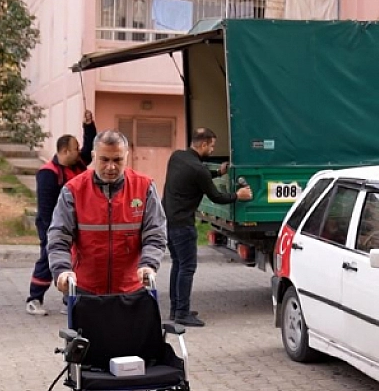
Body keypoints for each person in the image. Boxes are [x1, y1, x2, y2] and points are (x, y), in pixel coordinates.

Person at [48, 129, 167, 296]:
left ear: (126, 157)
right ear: (94, 156)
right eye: (104, 159)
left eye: (117, 160)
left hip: (131, 289)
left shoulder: (144, 187)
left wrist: (149, 264)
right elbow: (59, 236)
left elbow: (155, 233)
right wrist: (62, 269)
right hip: (85, 289)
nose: (111, 167)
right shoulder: (73, 190)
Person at [162, 128, 253, 327]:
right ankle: (182, 314)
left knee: (178, 265)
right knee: (187, 268)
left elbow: (197, 176)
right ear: (203, 144)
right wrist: (238, 195)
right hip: (183, 226)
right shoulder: (198, 170)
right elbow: (216, 197)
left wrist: (218, 172)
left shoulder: (177, 157)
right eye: (211, 146)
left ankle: (176, 309)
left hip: (168, 221)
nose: (212, 150)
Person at [26, 111, 97, 315]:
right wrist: (53, 234)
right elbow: (46, 208)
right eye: (75, 148)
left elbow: (90, 145)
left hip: (78, 223)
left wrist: (88, 126)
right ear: (65, 151)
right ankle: (34, 299)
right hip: (53, 224)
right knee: (49, 260)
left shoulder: (78, 164)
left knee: (75, 261)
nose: (80, 152)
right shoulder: (48, 173)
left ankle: (70, 301)